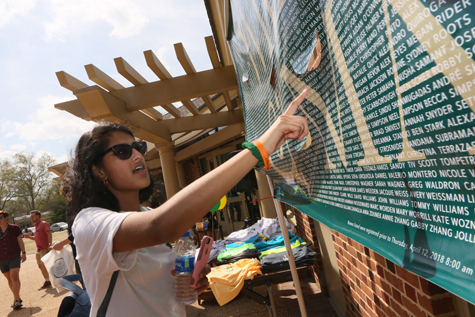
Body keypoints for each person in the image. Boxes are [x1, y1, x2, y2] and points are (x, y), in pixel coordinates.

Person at [67, 89, 309, 316]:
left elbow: (158, 285)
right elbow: (160, 226)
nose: (138, 154)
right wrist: (258, 150)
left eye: (138, 147)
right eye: (122, 151)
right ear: (98, 170)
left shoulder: (147, 212)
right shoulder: (90, 222)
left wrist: (193, 278)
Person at [0, 211, 27, 309]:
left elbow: (20, 240)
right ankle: (18, 297)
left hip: (14, 255)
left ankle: (15, 300)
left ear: (6, 217)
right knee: (9, 279)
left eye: (0, 218)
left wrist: (23, 253)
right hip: (1, 258)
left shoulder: (14, 228)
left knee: (14, 276)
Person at [24, 210, 52, 290]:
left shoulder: (43, 224)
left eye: (33, 216)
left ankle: (60, 279)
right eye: (30, 217)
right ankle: (47, 281)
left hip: (45, 248)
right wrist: (29, 237)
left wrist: (50, 245)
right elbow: (37, 238)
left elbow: (49, 233)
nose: (31, 218)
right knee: (40, 266)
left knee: (46, 265)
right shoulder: (35, 226)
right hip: (38, 250)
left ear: (38, 216)